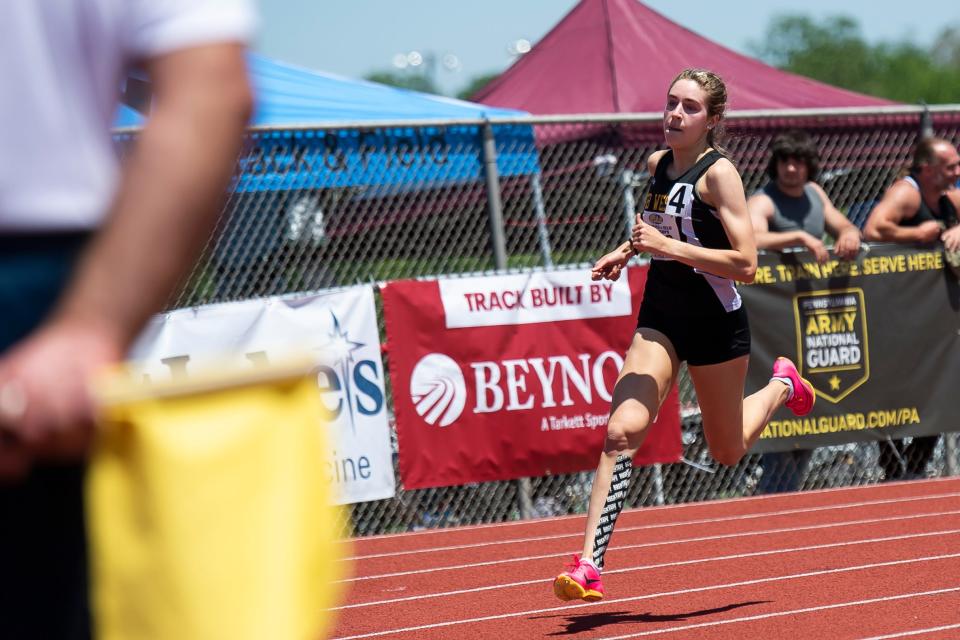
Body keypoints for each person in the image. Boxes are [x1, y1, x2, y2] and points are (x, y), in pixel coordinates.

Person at [0, 2, 255, 637]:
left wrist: (85, 327)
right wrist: (90, 325)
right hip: (40, 286)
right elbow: (210, 89)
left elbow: (210, 91)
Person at [552, 68, 815, 603]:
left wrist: (670, 251)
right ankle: (588, 565)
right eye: (671, 102)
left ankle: (782, 385)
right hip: (663, 315)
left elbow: (746, 262)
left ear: (712, 119)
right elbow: (659, 226)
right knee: (622, 431)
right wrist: (626, 252)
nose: (674, 114)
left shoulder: (721, 176)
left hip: (717, 321)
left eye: (690, 107)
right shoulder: (656, 164)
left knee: (726, 450)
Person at [746, 129, 862, 493]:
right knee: (778, 425)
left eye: (798, 161)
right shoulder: (764, 200)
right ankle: (771, 503)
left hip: (814, 323)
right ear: (775, 164)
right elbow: (749, 237)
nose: (792, 169)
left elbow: (840, 221)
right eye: (785, 161)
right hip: (773, 324)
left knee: (808, 419)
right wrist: (798, 237)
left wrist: (848, 232)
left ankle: (785, 502)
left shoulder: (815, 193)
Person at [863, 137, 960, 481]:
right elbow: (873, 228)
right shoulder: (907, 193)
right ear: (928, 169)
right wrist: (918, 232)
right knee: (892, 388)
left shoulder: (948, 199)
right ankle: (892, 467)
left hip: (933, 313)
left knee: (936, 385)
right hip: (895, 310)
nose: (957, 172)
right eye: (951, 167)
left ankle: (916, 467)